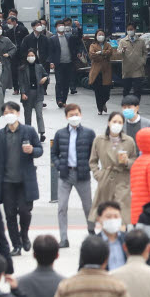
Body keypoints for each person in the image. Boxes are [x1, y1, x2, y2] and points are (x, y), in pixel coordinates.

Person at [0, 102, 43, 256]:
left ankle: (24, 235)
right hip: (6, 181)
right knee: (10, 214)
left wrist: (33, 150)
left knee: (25, 212)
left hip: (24, 180)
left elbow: (40, 149)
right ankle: (16, 245)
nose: (9, 114)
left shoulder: (28, 131)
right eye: (6, 112)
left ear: (18, 113)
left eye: (11, 111)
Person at [52, 104, 96, 247]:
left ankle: (91, 232)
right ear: (66, 117)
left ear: (81, 114)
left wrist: (90, 165)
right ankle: (63, 238)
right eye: (71, 115)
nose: (74, 117)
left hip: (82, 174)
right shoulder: (60, 134)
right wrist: (59, 165)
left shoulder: (89, 133)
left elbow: (94, 153)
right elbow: (54, 153)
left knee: (88, 206)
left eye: (76, 114)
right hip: (65, 174)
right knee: (62, 206)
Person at [88, 113, 138, 226]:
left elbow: (135, 161)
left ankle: (121, 237)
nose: (117, 125)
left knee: (122, 212)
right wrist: (98, 174)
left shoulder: (129, 141)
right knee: (106, 211)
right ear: (109, 123)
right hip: (106, 178)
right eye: (114, 122)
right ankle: (106, 235)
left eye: (120, 122)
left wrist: (127, 162)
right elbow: (93, 161)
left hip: (122, 179)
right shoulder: (99, 140)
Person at [17, 48, 48, 141]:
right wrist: (22, 93)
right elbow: (21, 82)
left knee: (39, 113)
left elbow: (46, 75)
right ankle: (27, 133)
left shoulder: (39, 67)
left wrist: (45, 78)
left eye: (32, 55)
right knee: (28, 115)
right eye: (29, 56)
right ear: (26, 57)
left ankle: (42, 133)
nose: (31, 57)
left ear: (35, 56)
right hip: (27, 93)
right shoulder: (22, 68)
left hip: (38, 93)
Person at [47, 20, 79, 107]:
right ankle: (59, 100)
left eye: (62, 25)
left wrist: (79, 28)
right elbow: (50, 51)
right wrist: (51, 62)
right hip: (59, 64)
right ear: (56, 28)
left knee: (66, 83)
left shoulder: (69, 37)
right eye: (59, 25)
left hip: (69, 63)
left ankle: (64, 100)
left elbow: (78, 39)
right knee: (59, 82)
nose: (61, 27)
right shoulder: (52, 39)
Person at [86, 30, 114, 116]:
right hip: (97, 71)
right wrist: (103, 56)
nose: (101, 36)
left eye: (102, 34)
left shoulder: (108, 45)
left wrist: (101, 53)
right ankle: (100, 108)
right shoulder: (93, 45)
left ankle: (103, 102)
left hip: (106, 70)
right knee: (98, 91)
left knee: (106, 91)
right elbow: (92, 55)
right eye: (99, 34)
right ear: (96, 36)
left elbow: (110, 52)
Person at [118, 23, 148, 98]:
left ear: (135, 30)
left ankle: (136, 107)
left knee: (137, 90)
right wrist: (122, 51)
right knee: (126, 90)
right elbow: (118, 53)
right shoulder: (122, 41)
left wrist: (143, 61)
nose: (130, 31)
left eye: (131, 29)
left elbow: (145, 52)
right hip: (127, 69)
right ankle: (126, 106)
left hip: (138, 68)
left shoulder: (141, 41)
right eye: (128, 29)